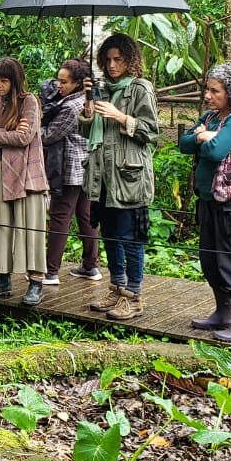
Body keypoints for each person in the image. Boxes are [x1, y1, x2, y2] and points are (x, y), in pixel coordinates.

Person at [179, 61, 231, 342]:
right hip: (209, 197)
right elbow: (184, 143)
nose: (207, 95)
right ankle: (224, 314)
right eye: (207, 89)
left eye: (215, 91)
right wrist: (204, 135)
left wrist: (203, 136)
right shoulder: (212, 117)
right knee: (211, 258)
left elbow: (215, 151)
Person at [79, 33, 159, 322]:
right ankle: (116, 287)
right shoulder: (102, 89)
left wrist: (120, 116)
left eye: (119, 59)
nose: (112, 66)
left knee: (131, 237)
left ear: (130, 60)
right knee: (110, 234)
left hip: (129, 176)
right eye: (108, 60)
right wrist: (89, 108)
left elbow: (151, 132)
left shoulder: (140, 89)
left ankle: (134, 295)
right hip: (102, 176)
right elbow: (87, 134)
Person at [0, 57, 49, 304]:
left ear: (14, 81)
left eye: (4, 80)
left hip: (28, 175)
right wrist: (4, 134)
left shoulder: (29, 102)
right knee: (0, 227)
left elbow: (25, 137)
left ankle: (36, 282)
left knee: (31, 228)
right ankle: (2, 279)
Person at [42, 59, 102, 284]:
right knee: (85, 216)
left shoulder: (71, 106)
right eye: (58, 79)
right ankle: (90, 265)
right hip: (86, 166)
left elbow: (49, 135)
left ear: (78, 83)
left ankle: (50, 270)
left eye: (64, 81)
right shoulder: (84, 101)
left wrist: (31, 128)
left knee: (60, 216)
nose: (59, 85)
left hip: (70, 167)